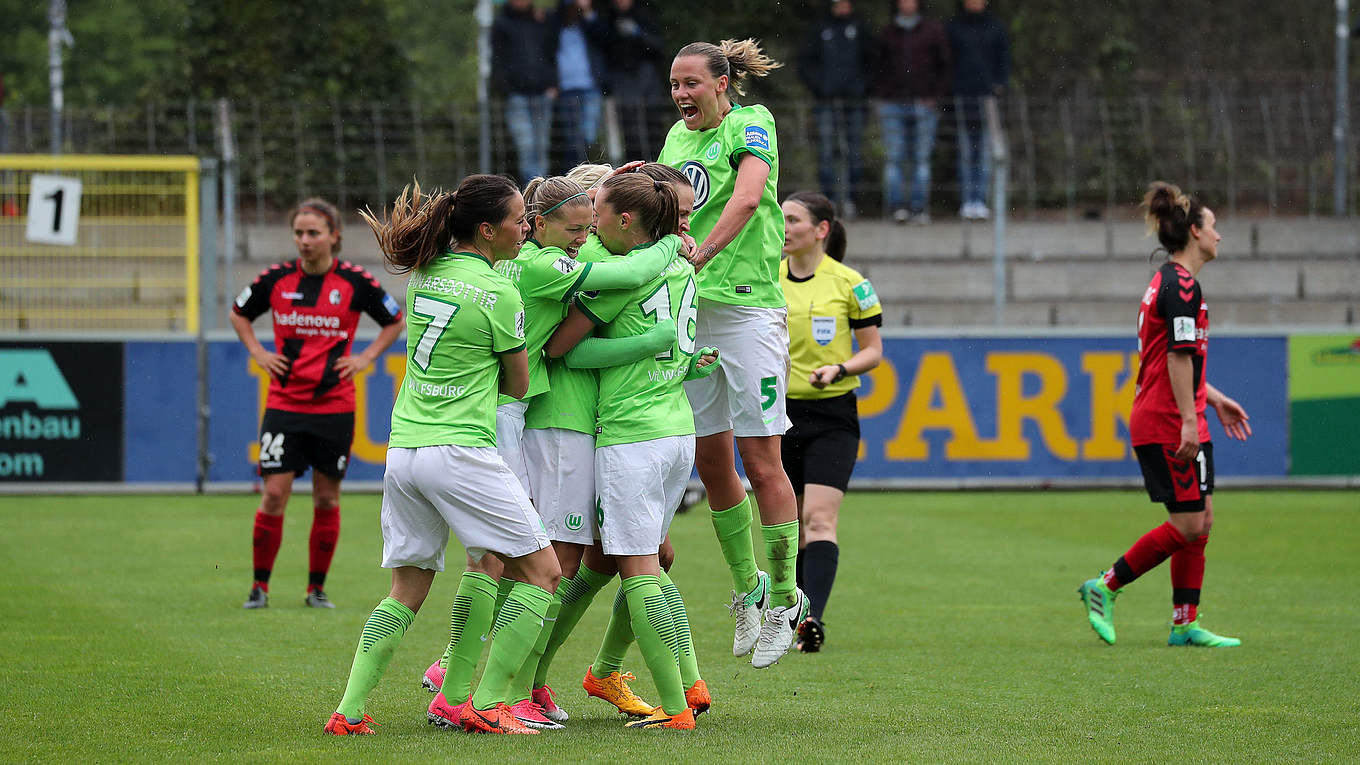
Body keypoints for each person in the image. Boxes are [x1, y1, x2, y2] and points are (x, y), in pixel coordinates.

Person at [421, 172, 682, 732]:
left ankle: (487, 679)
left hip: (532, 419)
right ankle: (495, 688)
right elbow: (572, 341)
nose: (584, 237)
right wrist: (670, 244)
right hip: (553, 421)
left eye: (590, 225)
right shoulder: (553, 265)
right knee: (547, 561)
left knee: (513, 556)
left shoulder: (527, 261)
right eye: (579, 226)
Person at [323, 175, 562, 737]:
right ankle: (488, 702)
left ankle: (351, 711)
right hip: (459, 451)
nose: (526, 228)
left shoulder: (425, 273)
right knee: (544, 573)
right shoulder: (500, 293)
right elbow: (519, 385)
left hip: (405, 450)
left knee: (407, 590)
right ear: (487, 230)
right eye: (518, 220)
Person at [545, 172, 719, 730]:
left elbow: (566, 351)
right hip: (677, 430)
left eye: (597, 212)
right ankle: (669, 684)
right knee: (645, 563)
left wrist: (640, 344)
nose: (590, 225)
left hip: (631, 434)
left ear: (625, 220)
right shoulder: (681, 266)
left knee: (639, 569)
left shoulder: (617, 271)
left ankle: (675, 708)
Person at [659, 39, 807, 670]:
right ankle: (749, 589)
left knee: (762, 460)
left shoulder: (752, 122)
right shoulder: (676, 139)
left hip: (747, 311)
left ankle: (786, 599)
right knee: (709, 458)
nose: (681, 94)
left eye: (691, 83)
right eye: (674, 84)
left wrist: (701, 254)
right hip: (695, 311)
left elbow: (747, 199)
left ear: (721, 83)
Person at [1077, 182, 1252, 649]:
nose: (1219, 235)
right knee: (1188, 524)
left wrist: (1213, 399)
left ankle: (1184, 623)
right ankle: (1105, 585)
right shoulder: (1180, 286)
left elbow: (1173, 358)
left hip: (1183, 413)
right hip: (1168, 421)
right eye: (1213, 226)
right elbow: (1176, 358)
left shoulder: (1174, 283)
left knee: (1202, 518)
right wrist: (1190, 421)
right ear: (1194, 232)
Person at [229, 198, 404, 610]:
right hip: (284, 405)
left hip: (334, 407)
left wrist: (365, 357)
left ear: (333, 236)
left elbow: (395, 320)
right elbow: (239, 313)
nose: (304, 240)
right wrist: (258, 352)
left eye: (313, 233)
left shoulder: (355, 282)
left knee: (326, 498)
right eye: (299, 233)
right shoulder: (275, 279)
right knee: (274, 494)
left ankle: (316, 589)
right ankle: (259, 586)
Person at [778, 191, 882, 653]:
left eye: (793, 219)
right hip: (778, 415)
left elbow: (873, 351)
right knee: (793, 527)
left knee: (819, 520)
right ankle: (793, 616)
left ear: (821, 229)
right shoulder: (766, 278)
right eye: (780, 218)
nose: (784, 228)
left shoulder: (851, 283)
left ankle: (812, 620)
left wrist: (840, 369)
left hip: (832, 415)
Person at [874, 0, 952, 224]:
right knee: (894, 158)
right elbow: (877, 66)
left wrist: (935, 96)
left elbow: (944, 65)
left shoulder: (932, 30)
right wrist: (882, 96)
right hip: (892, 103)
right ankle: (897, 207)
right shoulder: (889, 32)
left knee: (921, 159)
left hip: (924, 104)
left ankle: (919, 208)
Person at [796, 0, 874, 218]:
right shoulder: (820, 29)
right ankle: (828, 200)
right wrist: (820, 88)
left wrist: (862, 88)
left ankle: (851, 201)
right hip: (826, 102)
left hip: (855, 102)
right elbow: (805, 63)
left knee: (854, 152)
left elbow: (873, 62)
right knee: (827, 152)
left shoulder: (861, 29)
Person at [946, 0, 1009, 220]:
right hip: (962, 97)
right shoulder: (954, 27)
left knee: (984, 153)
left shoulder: (996, 27)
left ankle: (980, 200)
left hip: (988, 99)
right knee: (965, 152)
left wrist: (999, 86)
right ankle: (967, 201)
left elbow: (1003, 59)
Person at [493, 0, 558, 181]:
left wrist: (552, 83)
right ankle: (533, 188)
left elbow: (550, 52)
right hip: (517, 96)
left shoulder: (541, 20)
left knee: (542, 146)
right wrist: (506, 89)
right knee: (526, 146)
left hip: (542, 93)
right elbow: (497, 59)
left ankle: (542, 190)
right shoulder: (501, 23)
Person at [602, 0, 667, 163]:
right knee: (631, 133)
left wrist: (638, 33)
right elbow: (605, 51)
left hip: (647, 82)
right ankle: (636, 171)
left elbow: (658, 48)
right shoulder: (608, 20)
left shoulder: (645, 15)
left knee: (652, 128)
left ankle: (656, 167)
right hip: (622, 83)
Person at [551, 0, 609, 170]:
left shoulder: (589, 24)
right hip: (566, 89)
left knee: (588, 136)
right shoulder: (556, 26)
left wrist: (588, 11)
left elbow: (604, 38)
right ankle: (571, 175)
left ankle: (582, 173)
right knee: (571, 139)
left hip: (590, 87)